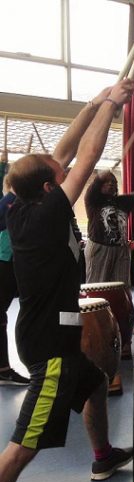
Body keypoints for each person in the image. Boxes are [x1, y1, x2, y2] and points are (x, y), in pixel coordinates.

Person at [0, 81, 134, 482]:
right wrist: (111, 107)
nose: (66, 166)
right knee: (24, 447)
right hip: (48, 349)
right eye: (57, 171)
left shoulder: (18, 201)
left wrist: (96, 101)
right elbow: (88, 157)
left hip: (59, 330)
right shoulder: (44, 217)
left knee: (95, 382)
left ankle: (102, 456)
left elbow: (66, 151)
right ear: (48, 189)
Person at [84, 167, 134, 285]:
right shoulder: (94, 200)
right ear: (100, 185)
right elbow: (93, 187)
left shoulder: (123, 202)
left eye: (113, 182)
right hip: (99, 248)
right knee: (97, 286)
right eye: (107, 181)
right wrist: (102, 175)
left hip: (121, 250)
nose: (111, 183)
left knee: (121, 287)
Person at [0, 153, 28, 386]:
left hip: (13, 263)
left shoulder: (17, 202)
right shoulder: (10, 202)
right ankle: (3, 368)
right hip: (4, 263)